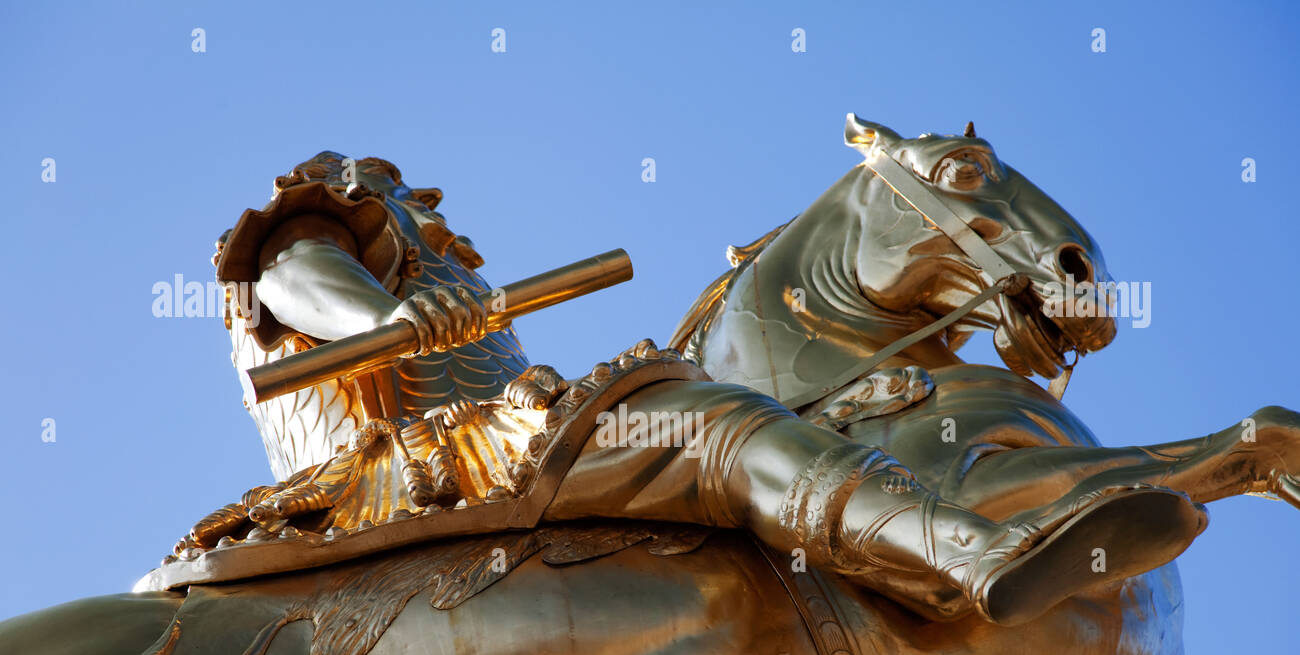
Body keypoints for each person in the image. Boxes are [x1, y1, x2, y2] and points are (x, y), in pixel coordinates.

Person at [211, 151, 1203, 627]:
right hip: (429, 468)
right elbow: (292, 274)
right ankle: (979, 550)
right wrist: (383, 320)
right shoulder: (322, 231)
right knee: (713, 427)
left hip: (499, 447)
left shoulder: (431, 267)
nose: (420, 212)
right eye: (402, 201)